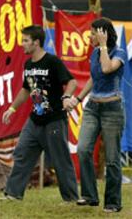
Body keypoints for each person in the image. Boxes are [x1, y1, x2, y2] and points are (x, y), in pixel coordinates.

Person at [0, 25, 78, 202]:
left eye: (26, 40)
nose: (22, 44)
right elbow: (26, 90)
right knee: (21, 154)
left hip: (54, 120)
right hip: (35, 120)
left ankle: (71, 199)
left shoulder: (52, 61)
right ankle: (13, 194)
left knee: (60, 160)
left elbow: (71, 82)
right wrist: (12, 109)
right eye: (23, 40)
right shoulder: (28, 64)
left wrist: (66, 96)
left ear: (36, 42)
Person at [67, 18, 127, 213]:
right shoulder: (94, 53)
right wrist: (79, 98)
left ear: (103, 34)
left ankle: (112, 202)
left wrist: (102, 46)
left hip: (112, 110)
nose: (90, 36)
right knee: (83, 149)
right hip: (93, 107)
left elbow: (107, 68)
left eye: (93, 33)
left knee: (111, 158)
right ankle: (90, 195)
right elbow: (95, 76)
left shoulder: (119, 53)